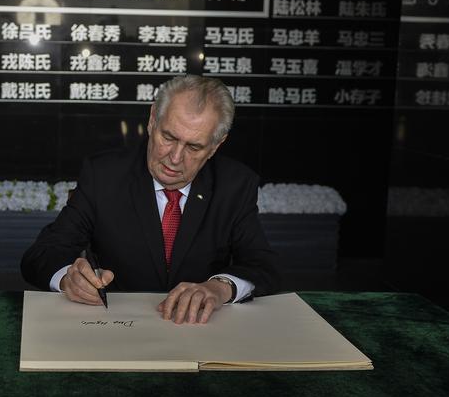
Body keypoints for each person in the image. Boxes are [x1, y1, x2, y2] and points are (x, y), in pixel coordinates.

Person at [21, 75, 280, 324]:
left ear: (215, 146)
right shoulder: (103, 176)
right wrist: (68, 278)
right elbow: (41, 255)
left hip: (200, 331)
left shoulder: (235, 184)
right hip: (118, 328)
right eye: (168, 137)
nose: (175, 158)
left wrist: (220, 288)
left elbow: (263, 266)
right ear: (152, 119)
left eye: (193, 147)